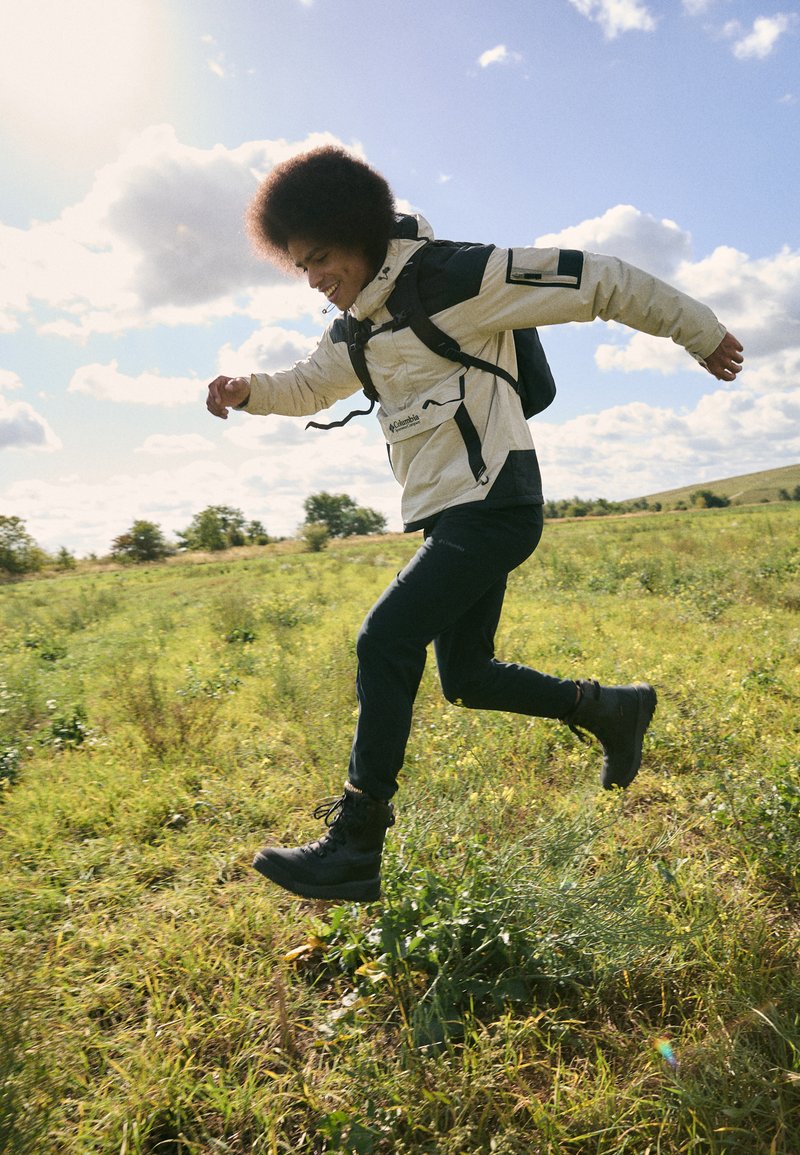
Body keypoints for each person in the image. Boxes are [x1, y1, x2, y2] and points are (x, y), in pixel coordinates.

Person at [206, 146, 744, 903]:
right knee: (467, 677)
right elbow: (306, 385)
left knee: (384, 638)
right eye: (300, 267)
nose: (314, 278)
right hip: (451, 513)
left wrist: (701, 331)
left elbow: (600, 279)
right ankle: (613, 709)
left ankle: (356, 844)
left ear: (360, 234)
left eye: (321, 258)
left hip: (496, 504)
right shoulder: (356, 326)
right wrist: (247, 390)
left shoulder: (458, 277)